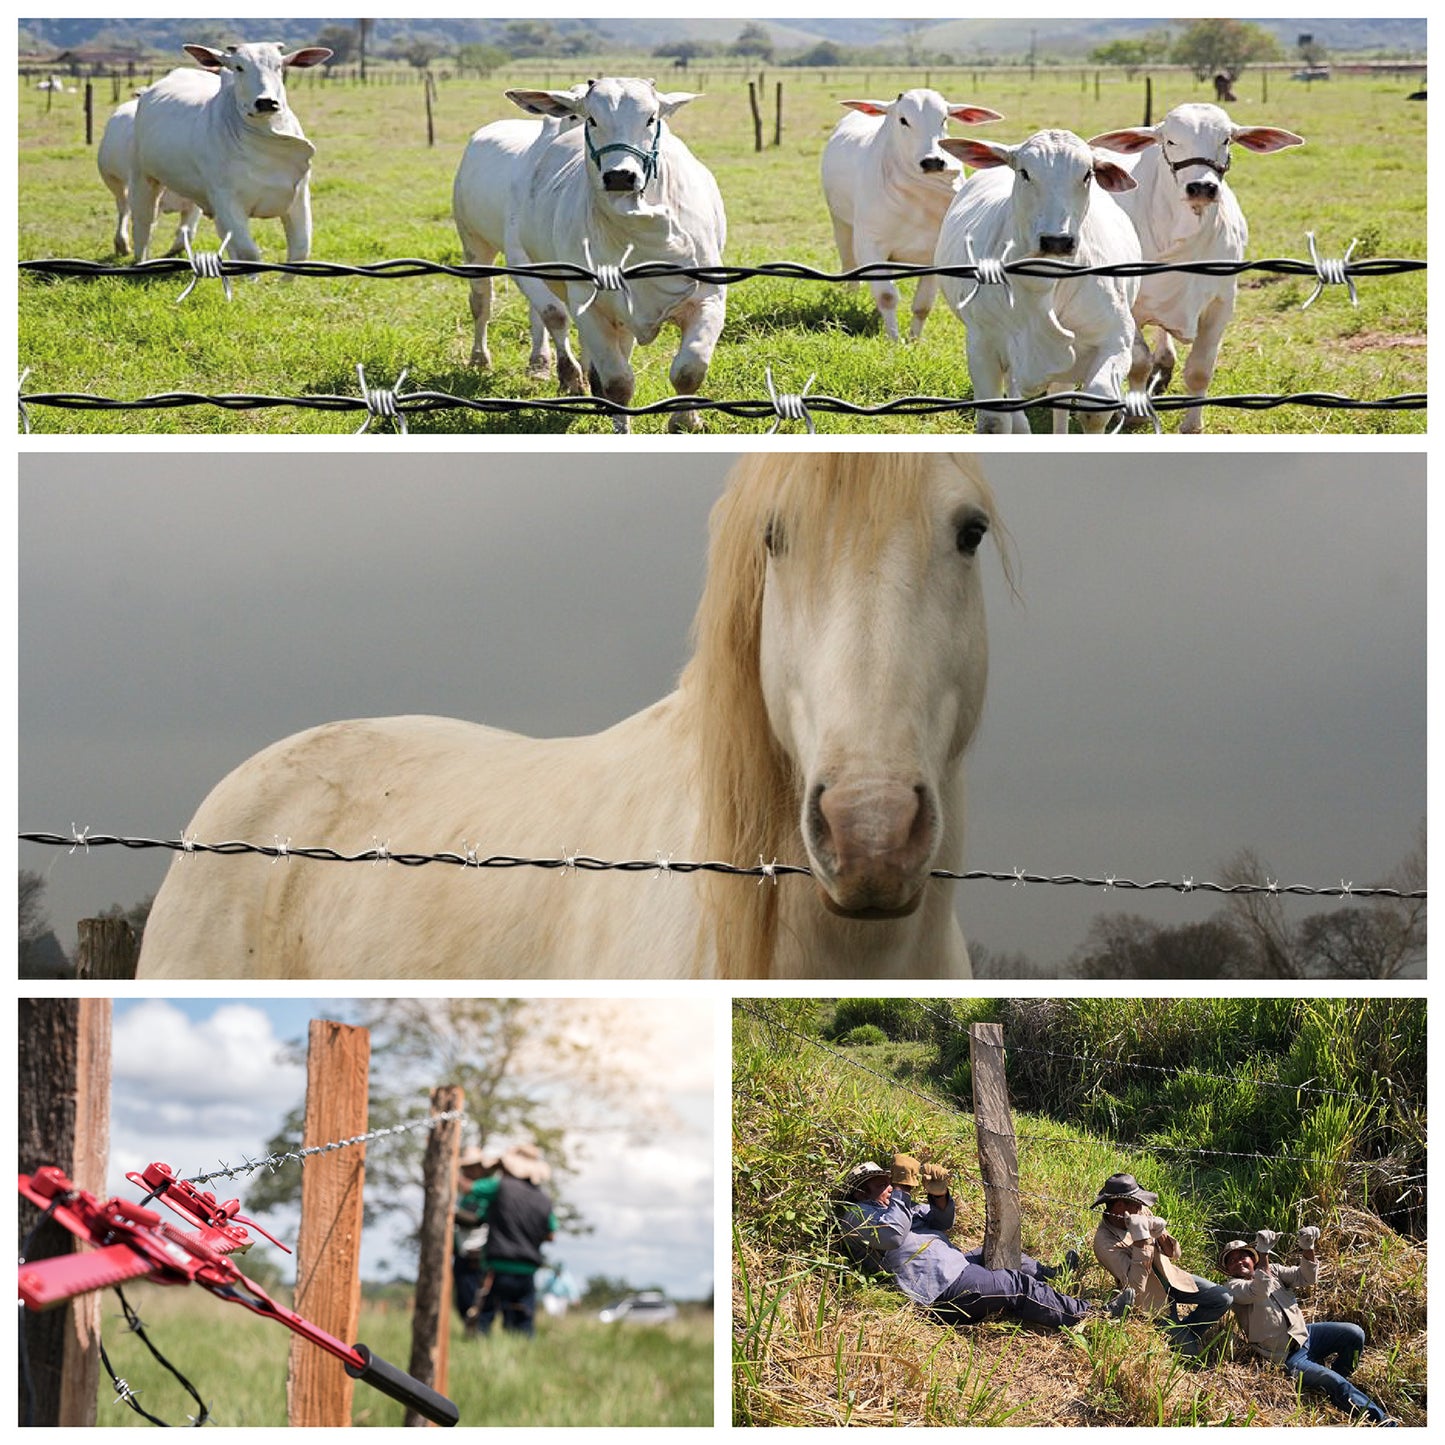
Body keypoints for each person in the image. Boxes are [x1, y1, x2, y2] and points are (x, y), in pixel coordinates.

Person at [837, 1155, 1104, 1331]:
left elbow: (941, 1223)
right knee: (1016, 1286)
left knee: (1004, 1253)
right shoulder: (857, 1216)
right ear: (861, 1192)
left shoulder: (898, 1206)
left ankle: (1053, 1276)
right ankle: (1088, 1316)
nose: (890, 1187)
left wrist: (939, 1196)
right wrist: (902, 1191)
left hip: (956, 1266)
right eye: (883, 1184)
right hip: (941, 1289)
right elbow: (893, 1235)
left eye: (890, 1182)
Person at [1221, 1230, 1396, 1426]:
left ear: (1251, 1258)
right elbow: (1260, 1290)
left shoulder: (1275, 1270)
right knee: (1334, 1383)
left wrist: (1308, 1248)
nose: (1239, 1262)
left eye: (1243, 1256)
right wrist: (1264, 1253)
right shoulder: (1232, 1288)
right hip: (1284, 1355)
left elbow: (1306, 1277)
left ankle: (1342, 1374)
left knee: (1354, 1333)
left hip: (1305, 1335)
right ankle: (1385, 1424)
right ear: (1228, 1269)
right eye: (1232, 1260)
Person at [1091, 1172, 1232, 1356]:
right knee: (1191, 1354)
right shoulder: (1104, 1242)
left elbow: (1174, 1254)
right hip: (1150, 1299)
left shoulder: (1140, 1211)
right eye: (1136, 1204)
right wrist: (1142, 1241)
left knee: (1223, 1298)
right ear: (1119, 1206)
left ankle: (1183, 1332)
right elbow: (1135, 1287)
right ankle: (1181, 1338)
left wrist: (1161, 1234)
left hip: (1171, 1278)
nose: (1141, 1208)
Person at [474, 1144, 557, 1338]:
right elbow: (551, 1234)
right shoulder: (543, 1198)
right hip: (528, 1267)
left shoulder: (500, 1186)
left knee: (485, 1316)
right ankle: (521, 1353)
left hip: (498, 1264)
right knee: (523, 1318)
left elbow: (471, 1188)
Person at [452, 1146, 499, 1331]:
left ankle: (479, 1332)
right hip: (463, 1252)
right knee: (463, 1299)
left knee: (477, 1298)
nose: (468, 1171)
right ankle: (470, 1331)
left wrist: (450, 1213)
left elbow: (477, 1219)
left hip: (478, 1253)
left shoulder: (486, 1191)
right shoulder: (465, 1196)